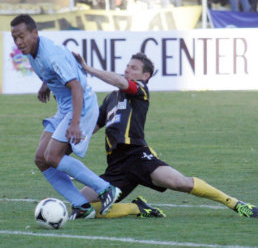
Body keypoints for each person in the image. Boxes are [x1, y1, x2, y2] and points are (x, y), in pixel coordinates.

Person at [72, 52, 258, 219]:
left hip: (137, 155)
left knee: (180, 183)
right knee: (79, 206)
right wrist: (68, 149)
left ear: (146, 76)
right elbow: (92, 127)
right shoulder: (111, 97)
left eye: (134, 68)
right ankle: (136, 208)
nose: (128, 70)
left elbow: (120, 82)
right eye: (127, 66)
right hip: (116, 165)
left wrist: (88, 69)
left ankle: (235, 204)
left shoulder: (141, 89)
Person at [10, 14, 122, 220]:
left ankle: (106, 189)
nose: (18, 42)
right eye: (14, 38)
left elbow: (77, 87)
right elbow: (55, 71)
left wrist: (75, 124)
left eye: (22, 36)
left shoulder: (51, 54)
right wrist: (45, 85)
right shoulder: (32, 52)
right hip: (65, 108)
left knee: (53, 156)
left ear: (34, 33)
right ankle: (82, 206)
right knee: (41, 159)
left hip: (82, 106)